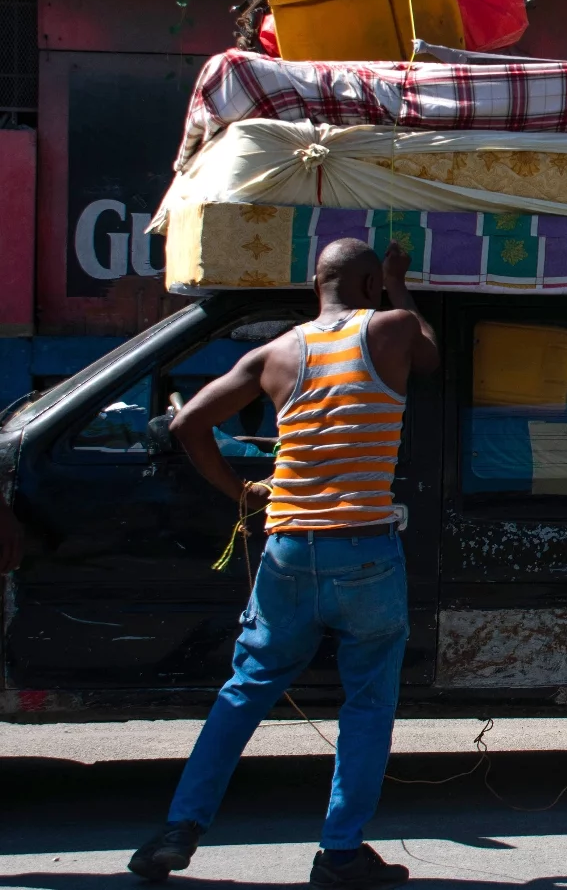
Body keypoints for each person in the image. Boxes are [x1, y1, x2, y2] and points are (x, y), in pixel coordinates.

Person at [129, 239, 439, 888]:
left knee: (243, 691)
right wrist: (399, 283)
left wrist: (240, 490)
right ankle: (340, 852)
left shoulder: (276, 353)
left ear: (313, 284)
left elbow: (188, 423)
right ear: (365, 282)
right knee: (365, 704)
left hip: (288, 549)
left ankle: (179, 827)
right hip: (365, 551)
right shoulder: (392, 326)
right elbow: (431, 355)